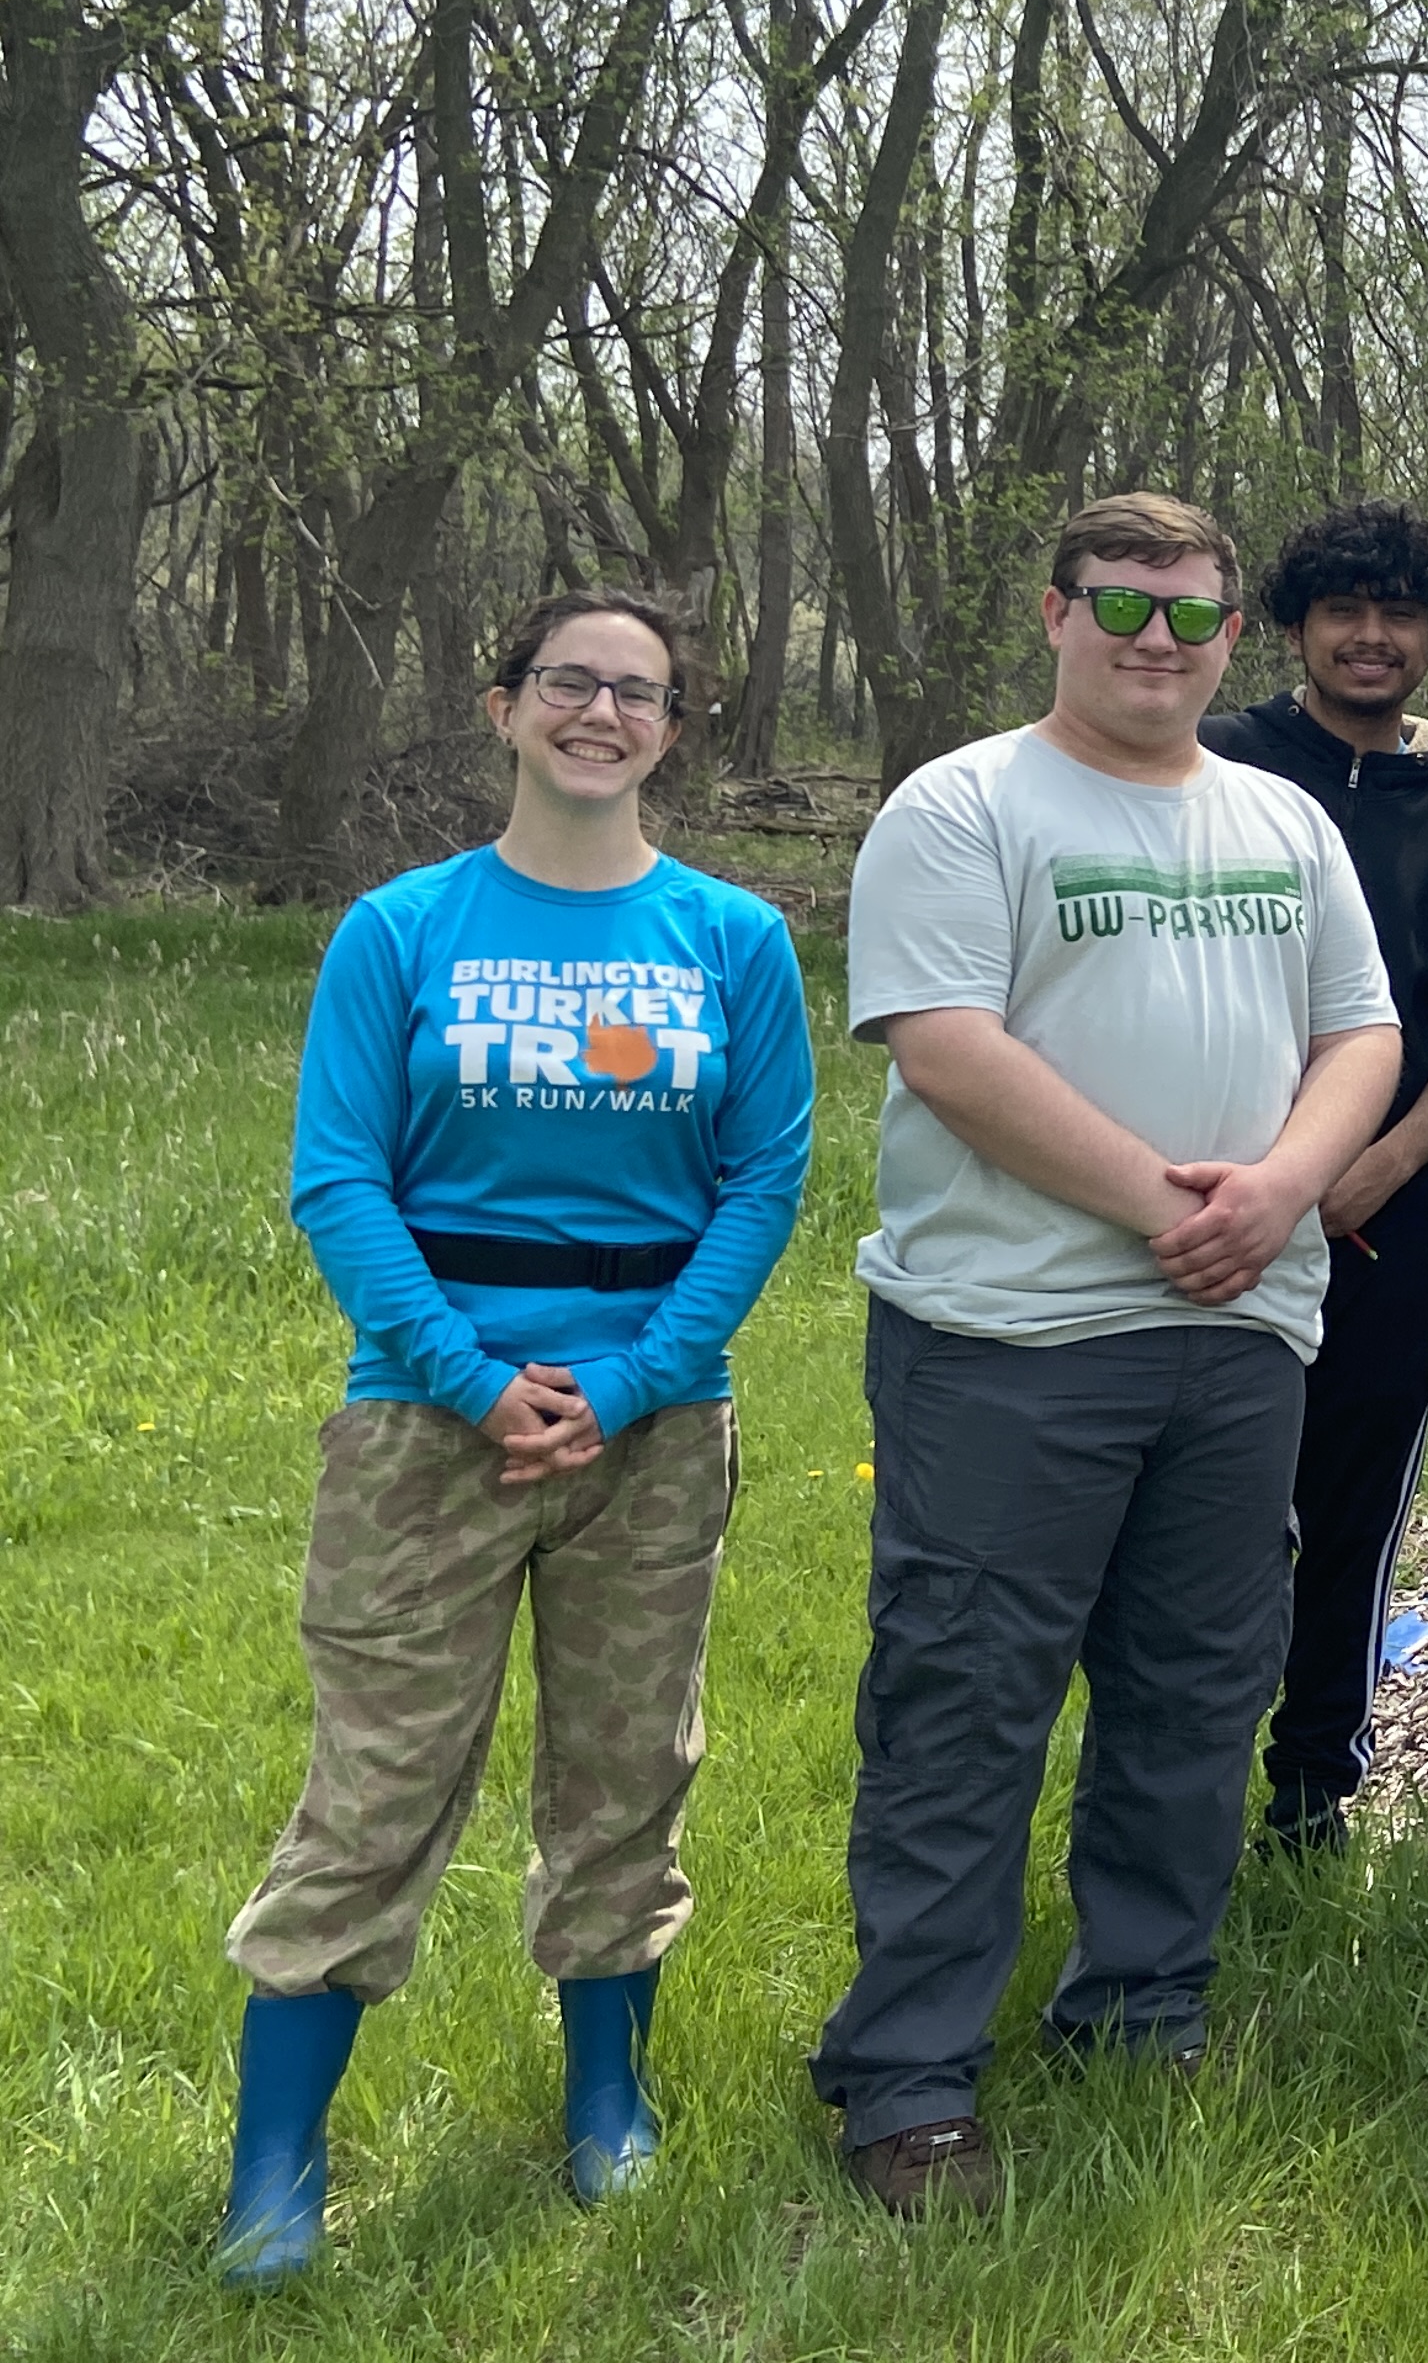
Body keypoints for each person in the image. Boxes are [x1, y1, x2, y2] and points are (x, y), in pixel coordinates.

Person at [811, 492, 1402, 2219]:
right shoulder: (966, 804)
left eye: (1194, 618)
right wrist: (1169, 1204)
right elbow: (943, 1049)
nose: (1160, 645)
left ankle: (1143, 2011)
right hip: (1011, 1333)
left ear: (1235, 636)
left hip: (1237, 1339)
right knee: (964, 1701)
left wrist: (1284, 1188)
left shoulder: (1284, 817)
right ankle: (909, 2079)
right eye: (1123, 610)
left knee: (1199, 1690)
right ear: (1056, 614)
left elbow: (1360, 1032)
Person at [222, 591, 814, 2283]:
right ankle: (280, 2167)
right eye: (570, 683)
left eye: (637, 694)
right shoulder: (401, 929)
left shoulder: (731, 939)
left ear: (673, 730)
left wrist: (630, 1383)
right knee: (378, 1786)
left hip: (652, 1418)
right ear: (504, 708)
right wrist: (473, 1374)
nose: (601, 714)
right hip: (428, 1419)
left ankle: (607, 2104)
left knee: (630, 1775)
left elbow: (763, 1178)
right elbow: (338, 1175)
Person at [1201, 499, 1428, 1851]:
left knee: (1353, 1496)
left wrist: (1379, 1163)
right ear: (1295, 624)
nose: (1372, 635)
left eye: (1402, 614)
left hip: (1381, 1219)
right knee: (1209, 1507)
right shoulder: (1220, 766)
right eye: (1345, 608)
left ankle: (1312, 1776)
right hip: (1205, 1200)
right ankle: (1186, 1769)